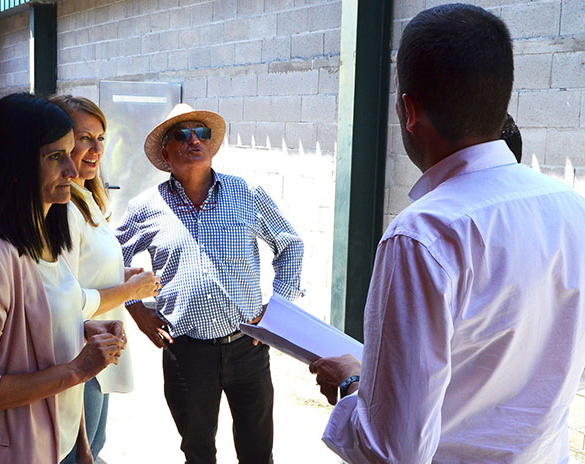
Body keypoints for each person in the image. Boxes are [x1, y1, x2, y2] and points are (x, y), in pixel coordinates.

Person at [310, 4, 585, 463]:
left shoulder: (423, 237)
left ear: (409, 110)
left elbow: (392, 450)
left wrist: (355, 383)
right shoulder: (571, 210)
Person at [0, 93, 125, 464]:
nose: (73, 170)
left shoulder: (47, 237)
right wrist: (77, 369)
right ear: (14, 166)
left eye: (71, 152)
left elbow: (33, 327)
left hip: (61, 439)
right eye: (56, 157)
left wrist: (78, 328)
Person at [116, 103, 305, 464]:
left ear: (212, 145)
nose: (193, 141)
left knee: (258, 452)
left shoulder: (246, 192)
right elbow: (112, 259)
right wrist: (136, 310)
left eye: (201, 133)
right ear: (165, 151)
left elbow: (290, 244)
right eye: (181, 135)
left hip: (248, 348)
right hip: (186, 352)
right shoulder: (146, 206)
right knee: (198, 451)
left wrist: (277, 309)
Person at [50, 94, 161, 461]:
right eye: (84, 137)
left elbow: (85, 272)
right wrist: (130, 290)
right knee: (78, 454)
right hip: (78, 351)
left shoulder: (87, 199)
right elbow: (65, 297)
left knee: (93, 449)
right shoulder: (63, 208)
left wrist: (120, 275)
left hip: (100, 351)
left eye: (100, 138)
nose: (95, 148)